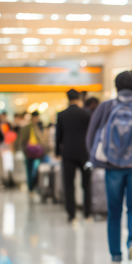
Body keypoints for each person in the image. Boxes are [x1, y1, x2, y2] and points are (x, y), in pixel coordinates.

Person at [87, 71, 132, 264]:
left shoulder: (105, 107)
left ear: (116, 86)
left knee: (114, 212)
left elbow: (91, 134)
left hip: (111, 167)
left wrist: (95, 159)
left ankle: (115, 257)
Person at [56, 89, 93, 223]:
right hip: (85, 154)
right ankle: (88, 214)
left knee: (69, 185)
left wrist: (57, 152)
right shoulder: (86, 113)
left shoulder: (62, 114)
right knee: (86, 184)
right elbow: (91, 133)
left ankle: (72, 215)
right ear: (78, 98)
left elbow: (58, 136)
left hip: (68, 153)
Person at [18, 111, 47, 191]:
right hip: (29, 152)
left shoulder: (40, 125)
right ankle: (31, 186)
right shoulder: (28, 127)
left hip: (38, 152)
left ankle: (34, 185)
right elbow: (22, 140)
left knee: (37, 169)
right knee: (29, 169)